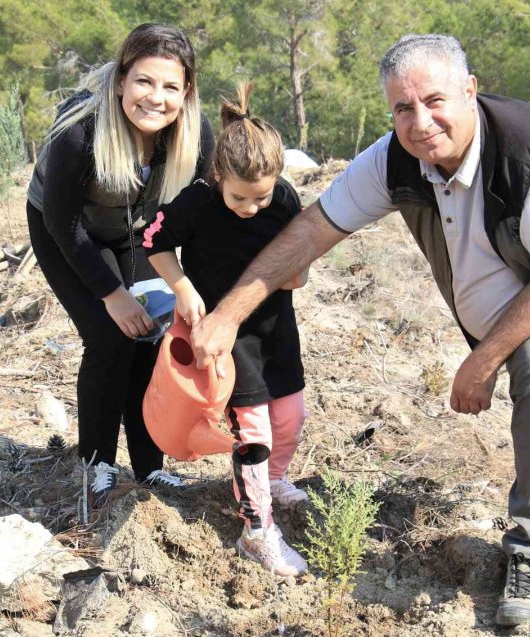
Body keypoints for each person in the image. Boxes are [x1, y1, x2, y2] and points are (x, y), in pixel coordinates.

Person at [189, 35, 530, 625]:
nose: (420, 122)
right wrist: (228, 313)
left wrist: (483, 358)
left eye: (434, 100)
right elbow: (313, 231)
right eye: (402, 108)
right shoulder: (396, 157)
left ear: (470, 91)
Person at [26, 23, 215, 507]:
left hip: (140, 233)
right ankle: (97, 466)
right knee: (111, 336)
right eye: (144, 82)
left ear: (187, 91)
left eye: (171, 86)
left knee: (153, 333)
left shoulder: (198, 136)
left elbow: (199, 220)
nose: (156, 98)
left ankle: (150, 468)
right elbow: (63, 223)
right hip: (68, 228)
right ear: (121, 81)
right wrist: (112, 294)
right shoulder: (79, 132)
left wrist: (190, 290)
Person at [144, 84, 310, 577]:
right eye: (241, 197)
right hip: (225, 339)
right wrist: (182, 287)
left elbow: (301, 249)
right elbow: (152, 241)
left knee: (290, 417)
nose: (253, 207)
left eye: (262, 196)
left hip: (277, 326)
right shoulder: (195, 202)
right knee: (252, 430)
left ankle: (272, 479)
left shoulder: (281, 198)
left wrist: (299, 272)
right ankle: (257, 530)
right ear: (218, 175)